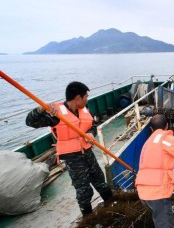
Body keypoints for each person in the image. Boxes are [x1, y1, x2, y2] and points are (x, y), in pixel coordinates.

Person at [26, 81, 113, 216]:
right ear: (78, 98)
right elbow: (30, 122)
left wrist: (91, 132)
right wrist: (41, 109)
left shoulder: (84, 109)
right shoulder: (56, 114)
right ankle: (89, 219)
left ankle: (112, 205)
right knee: (83, 190)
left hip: (87, 151)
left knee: (100, 180)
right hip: (73, 157)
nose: (87, 99)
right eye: (86, 96)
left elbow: (92, 125)